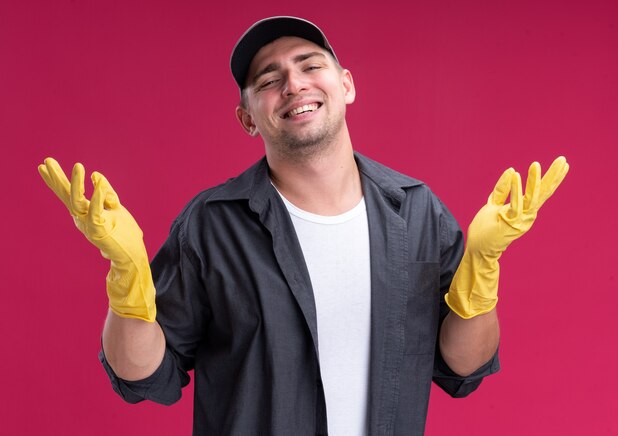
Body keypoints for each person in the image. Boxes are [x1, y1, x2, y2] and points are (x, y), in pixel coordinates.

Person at [38, 16, 569, 436]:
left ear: (346, 85)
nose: (293, 84)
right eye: (268, 80)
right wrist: (128, 281)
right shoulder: (211, 224)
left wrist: (481, 270)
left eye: (310, 66)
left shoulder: (417, 211)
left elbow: (462, 367)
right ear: (249, 118)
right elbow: (144, 377)